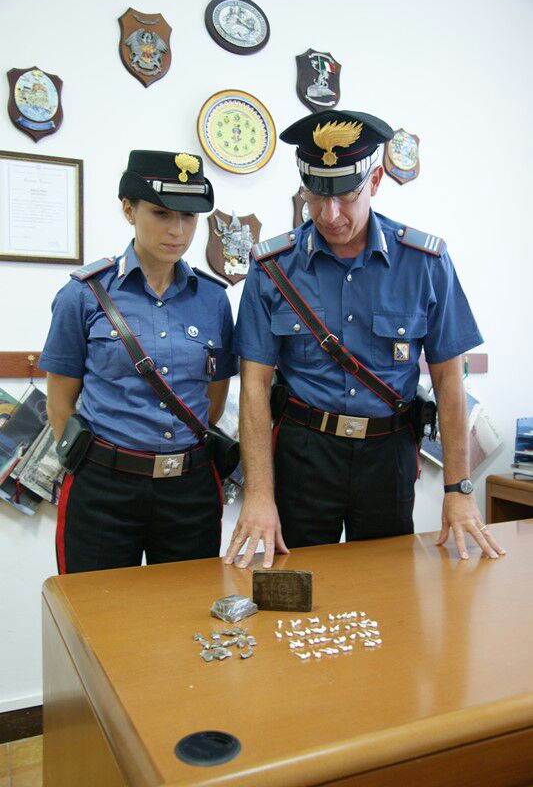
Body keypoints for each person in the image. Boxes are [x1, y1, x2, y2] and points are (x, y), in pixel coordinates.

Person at [225, 109, 504, 569]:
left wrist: (458, 489)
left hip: (388, 454)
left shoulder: (424, 263)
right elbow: (254, 385)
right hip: (303, 453)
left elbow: (450, 380)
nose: (329, 215)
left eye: (346, 196)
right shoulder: (272, 267)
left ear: (374, 181)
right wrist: (258, 494)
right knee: (294, 588)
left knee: (387, 591)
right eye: (315, 197)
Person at [40, 150, 238, 574]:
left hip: (190, 489)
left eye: (188, 217)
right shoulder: (84, 295)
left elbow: (214, 401)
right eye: (162, 213)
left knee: (188, 615)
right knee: (98, 615)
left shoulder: (213, 299)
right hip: (104, 488)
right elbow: (59, 403)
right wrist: (99, 465)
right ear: (129, 210)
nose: (177, 230)